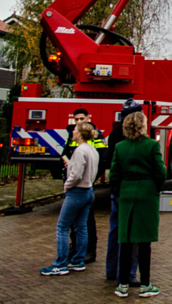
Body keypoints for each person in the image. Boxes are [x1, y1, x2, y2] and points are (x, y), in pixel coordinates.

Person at [110, 110, 166, 298]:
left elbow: (114, 174)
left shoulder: (120, 147)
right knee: (144, 243)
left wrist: (120, 191)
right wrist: (155, 188)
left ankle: (123, 284)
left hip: (126, 194)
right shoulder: (151, 145)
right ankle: (145, 284)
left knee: (125, 241)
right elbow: (160, 171)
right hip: (147, 194)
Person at [40, 121, 99, 276]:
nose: (72, 132)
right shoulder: (92, 150)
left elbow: (77, 174)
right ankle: (78, 260)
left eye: (75, 130)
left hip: (77, 191)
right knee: (81, 227)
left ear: (80, 133)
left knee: (62, 227)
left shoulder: (80, 151)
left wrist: (67, 185)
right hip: (88, 190)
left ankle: (60, 264)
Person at [106, 99, 141, 285]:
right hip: (133, 193)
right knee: (133, 234)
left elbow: (112, 166)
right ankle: (128, 274)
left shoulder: (113, 135)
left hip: (117, 191)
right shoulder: (142, 142)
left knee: (115, 230)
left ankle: (111, 270)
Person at [65, 107, 107, 263]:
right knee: (74, 221)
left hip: (84, 184)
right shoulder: (72, 135)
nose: (78, 122)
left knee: (86, 221)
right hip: (74, 183)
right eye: (76, 119)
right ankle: (74, 247)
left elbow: (103, 159)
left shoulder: (95, 136)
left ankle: (90, 251)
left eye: (81, 119)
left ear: (88, 119)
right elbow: (65, 152)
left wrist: (92, 179)